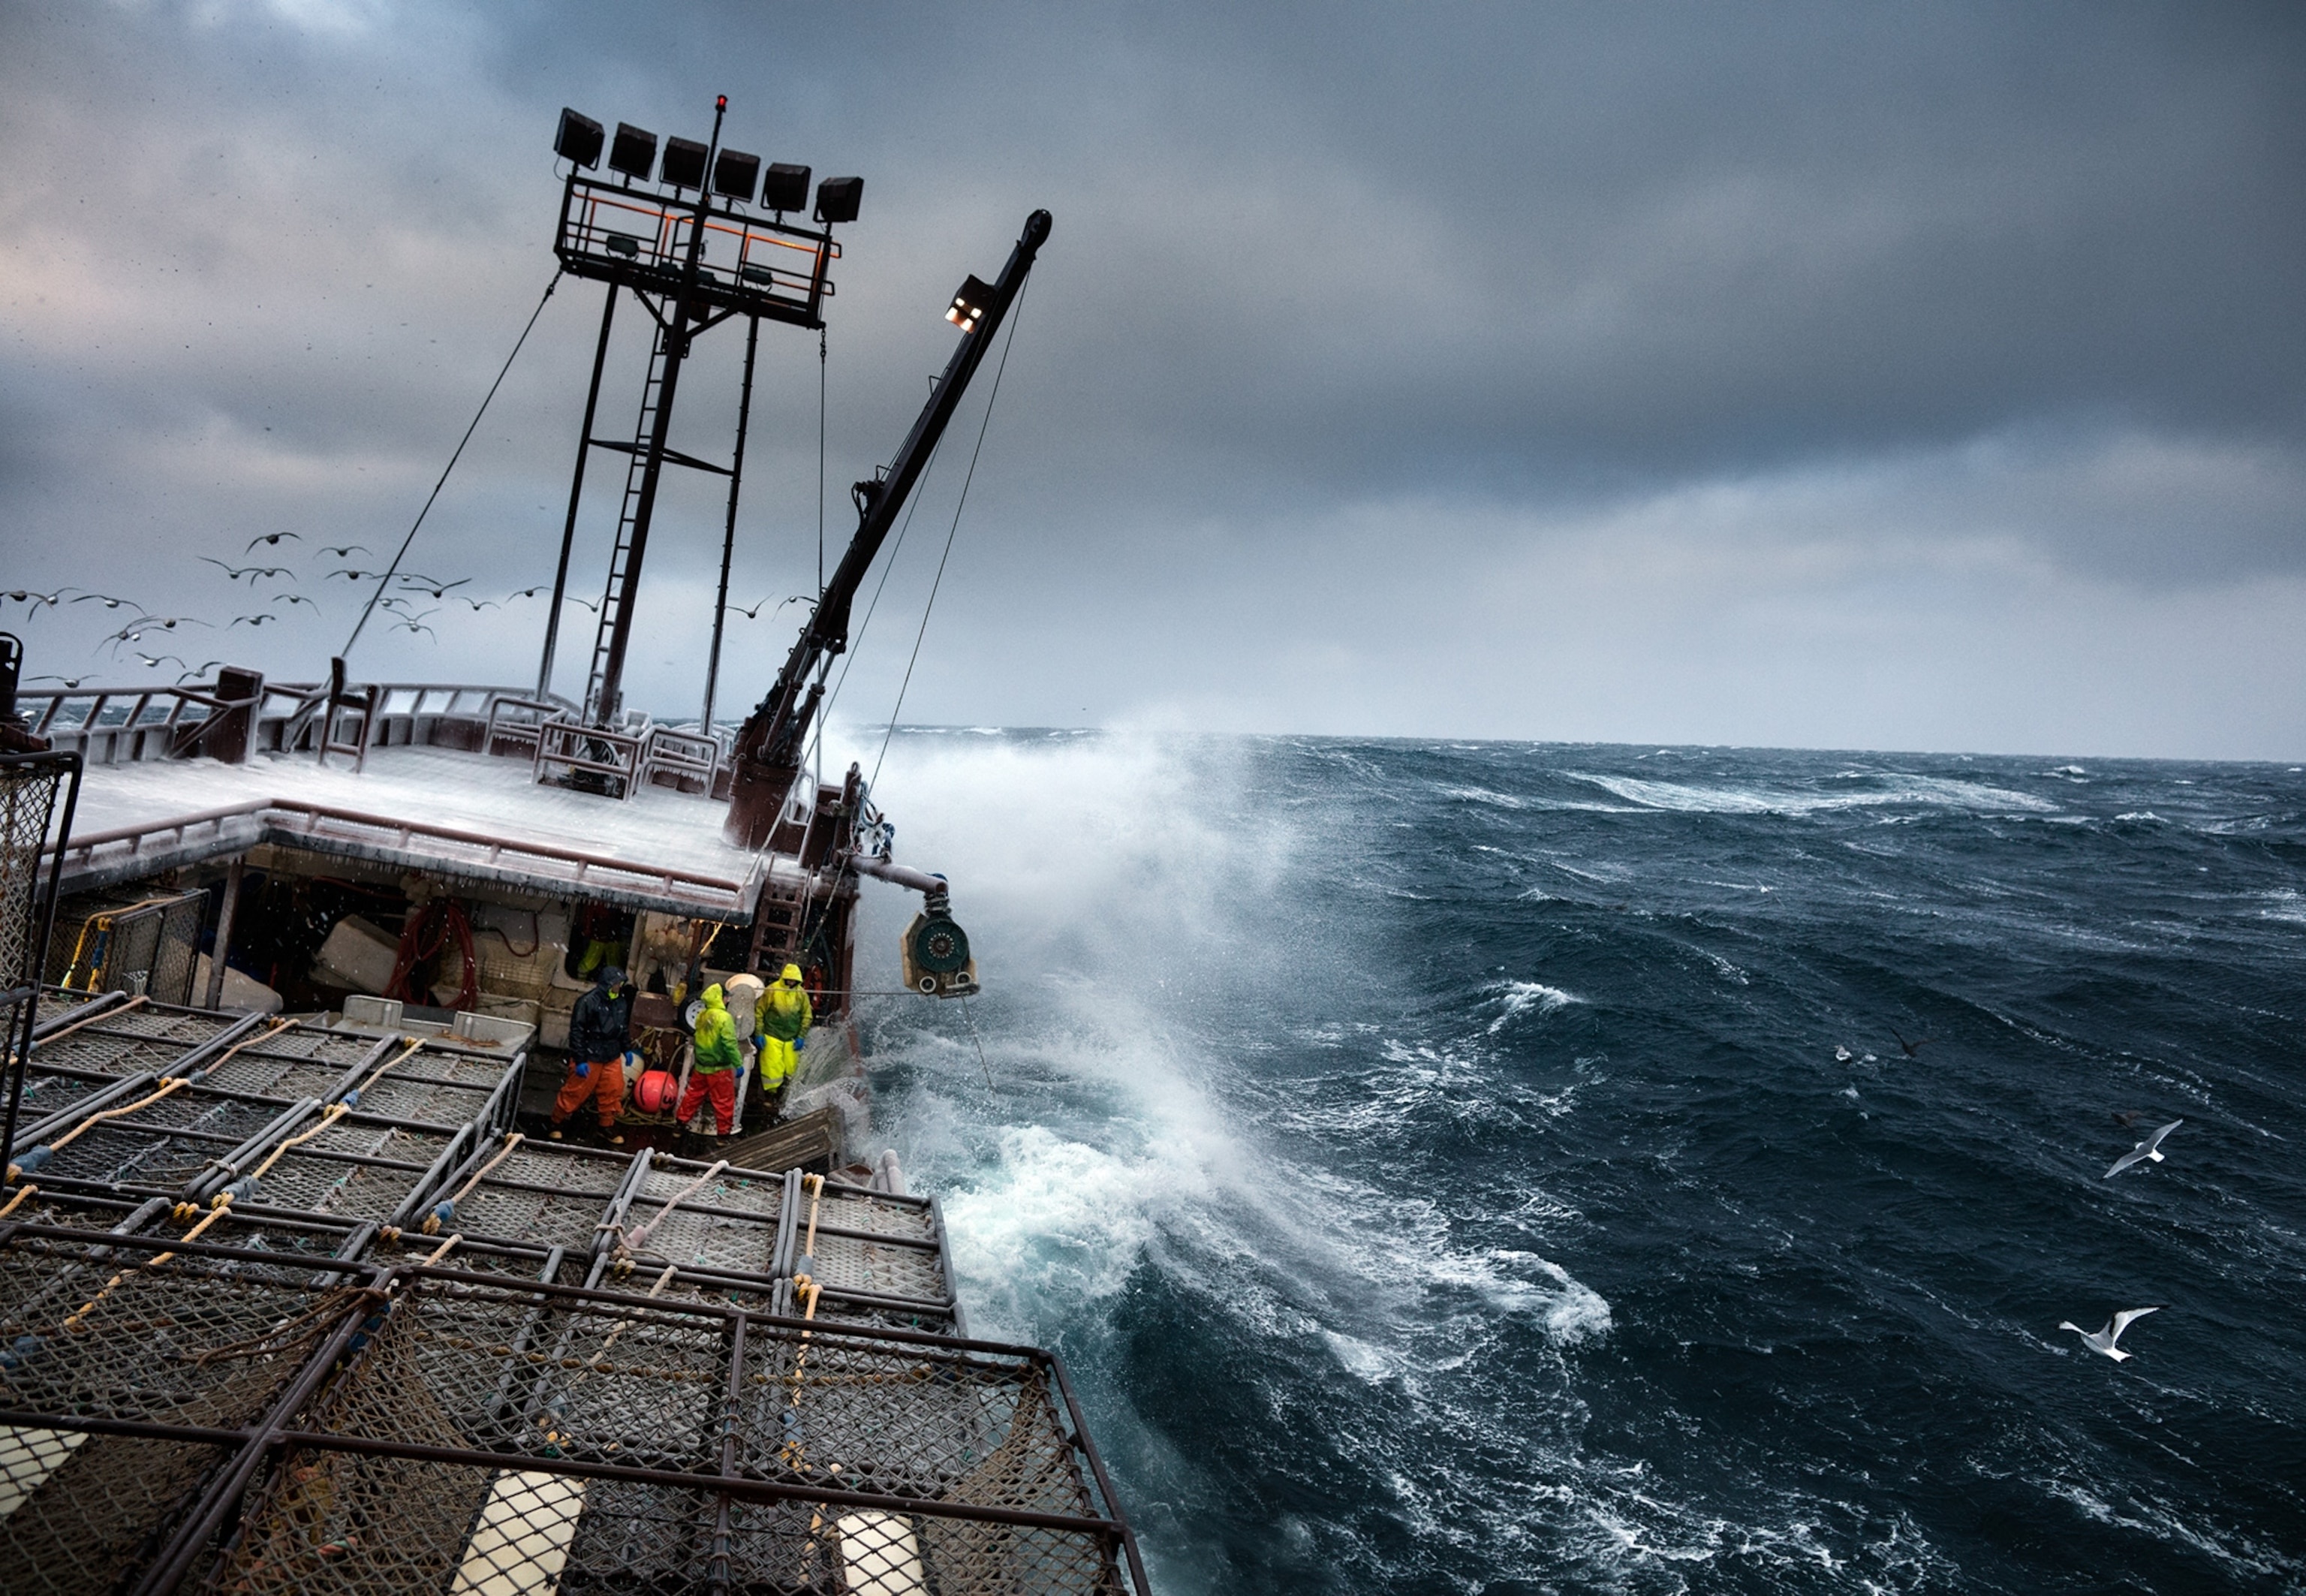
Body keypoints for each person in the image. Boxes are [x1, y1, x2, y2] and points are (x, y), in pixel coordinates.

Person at [552, 965, 633, 1144]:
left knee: (613, 1090)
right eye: (616, 983)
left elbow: (623, 1028)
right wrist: (580, 1059)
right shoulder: (587, 1002)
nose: (618, 987)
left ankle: (606, 1126)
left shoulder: (621, 1002)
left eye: (620, 984)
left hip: (611, 1054)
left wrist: (627, 1048)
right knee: (576, 1092)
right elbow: (577, 1032)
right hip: (590, 1055)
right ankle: (556, 1122)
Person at [676, 981, 743, 1137]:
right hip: (720, 1069)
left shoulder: (702, 1015)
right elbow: (730, 1044)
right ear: (721, 998)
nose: (728, 1000)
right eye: (726, 997)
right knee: (724, 1101)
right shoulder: (724, 1018)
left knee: (692, 1096)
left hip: (701, 1066)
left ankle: (680, 1124)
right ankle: (723, 1135)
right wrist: (738, 1064)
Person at [757, 962, 813, 1099]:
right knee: (771, 1069)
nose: (791, 982)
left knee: (791, 1070)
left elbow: (807, 1016)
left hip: (792, 1038)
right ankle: (770, 1096)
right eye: (789, 979)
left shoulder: (801, 995)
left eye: (794, 980)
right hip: (772, 1035)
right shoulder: (772, 990)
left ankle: (784, 1096)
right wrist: (759, 1033)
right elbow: (759, 1012)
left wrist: (801, 1036)